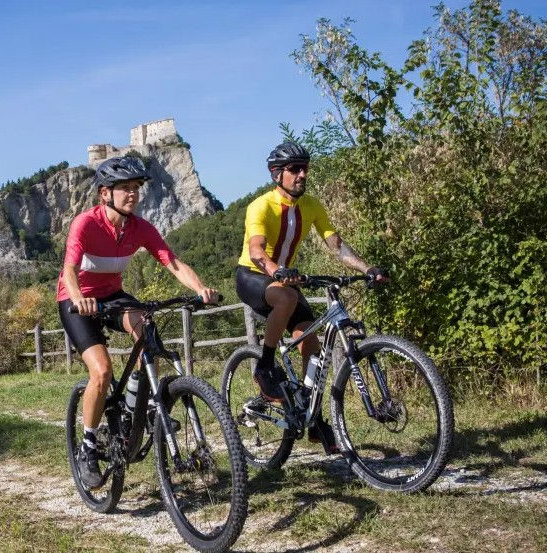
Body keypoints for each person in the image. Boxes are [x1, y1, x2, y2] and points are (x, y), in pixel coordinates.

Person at [58, 155, 219, 488]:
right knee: (101, 371)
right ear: (105, 193)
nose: (133, 194)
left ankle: (141, 404)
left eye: (136, 188)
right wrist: (78, 299)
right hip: (77, 301)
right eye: (124, 189)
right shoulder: (85, 224)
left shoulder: (140, 228)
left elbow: (172, 262)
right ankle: (88, 445)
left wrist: (201, 288)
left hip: (113, 295)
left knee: (147, 327)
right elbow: (70, 270)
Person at [235, 140, 389, 454]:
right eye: (295, 169)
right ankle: (264, 367)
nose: (302, 174)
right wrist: (276, 270)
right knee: (287, 299)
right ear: (277, 174)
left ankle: (314, 418)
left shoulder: (312, 206)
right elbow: (256, 249)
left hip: (285, 278)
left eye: (305, 168)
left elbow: (336, 245)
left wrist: (367, 267)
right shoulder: (260, 205)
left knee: (313, 348)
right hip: (253, 275)